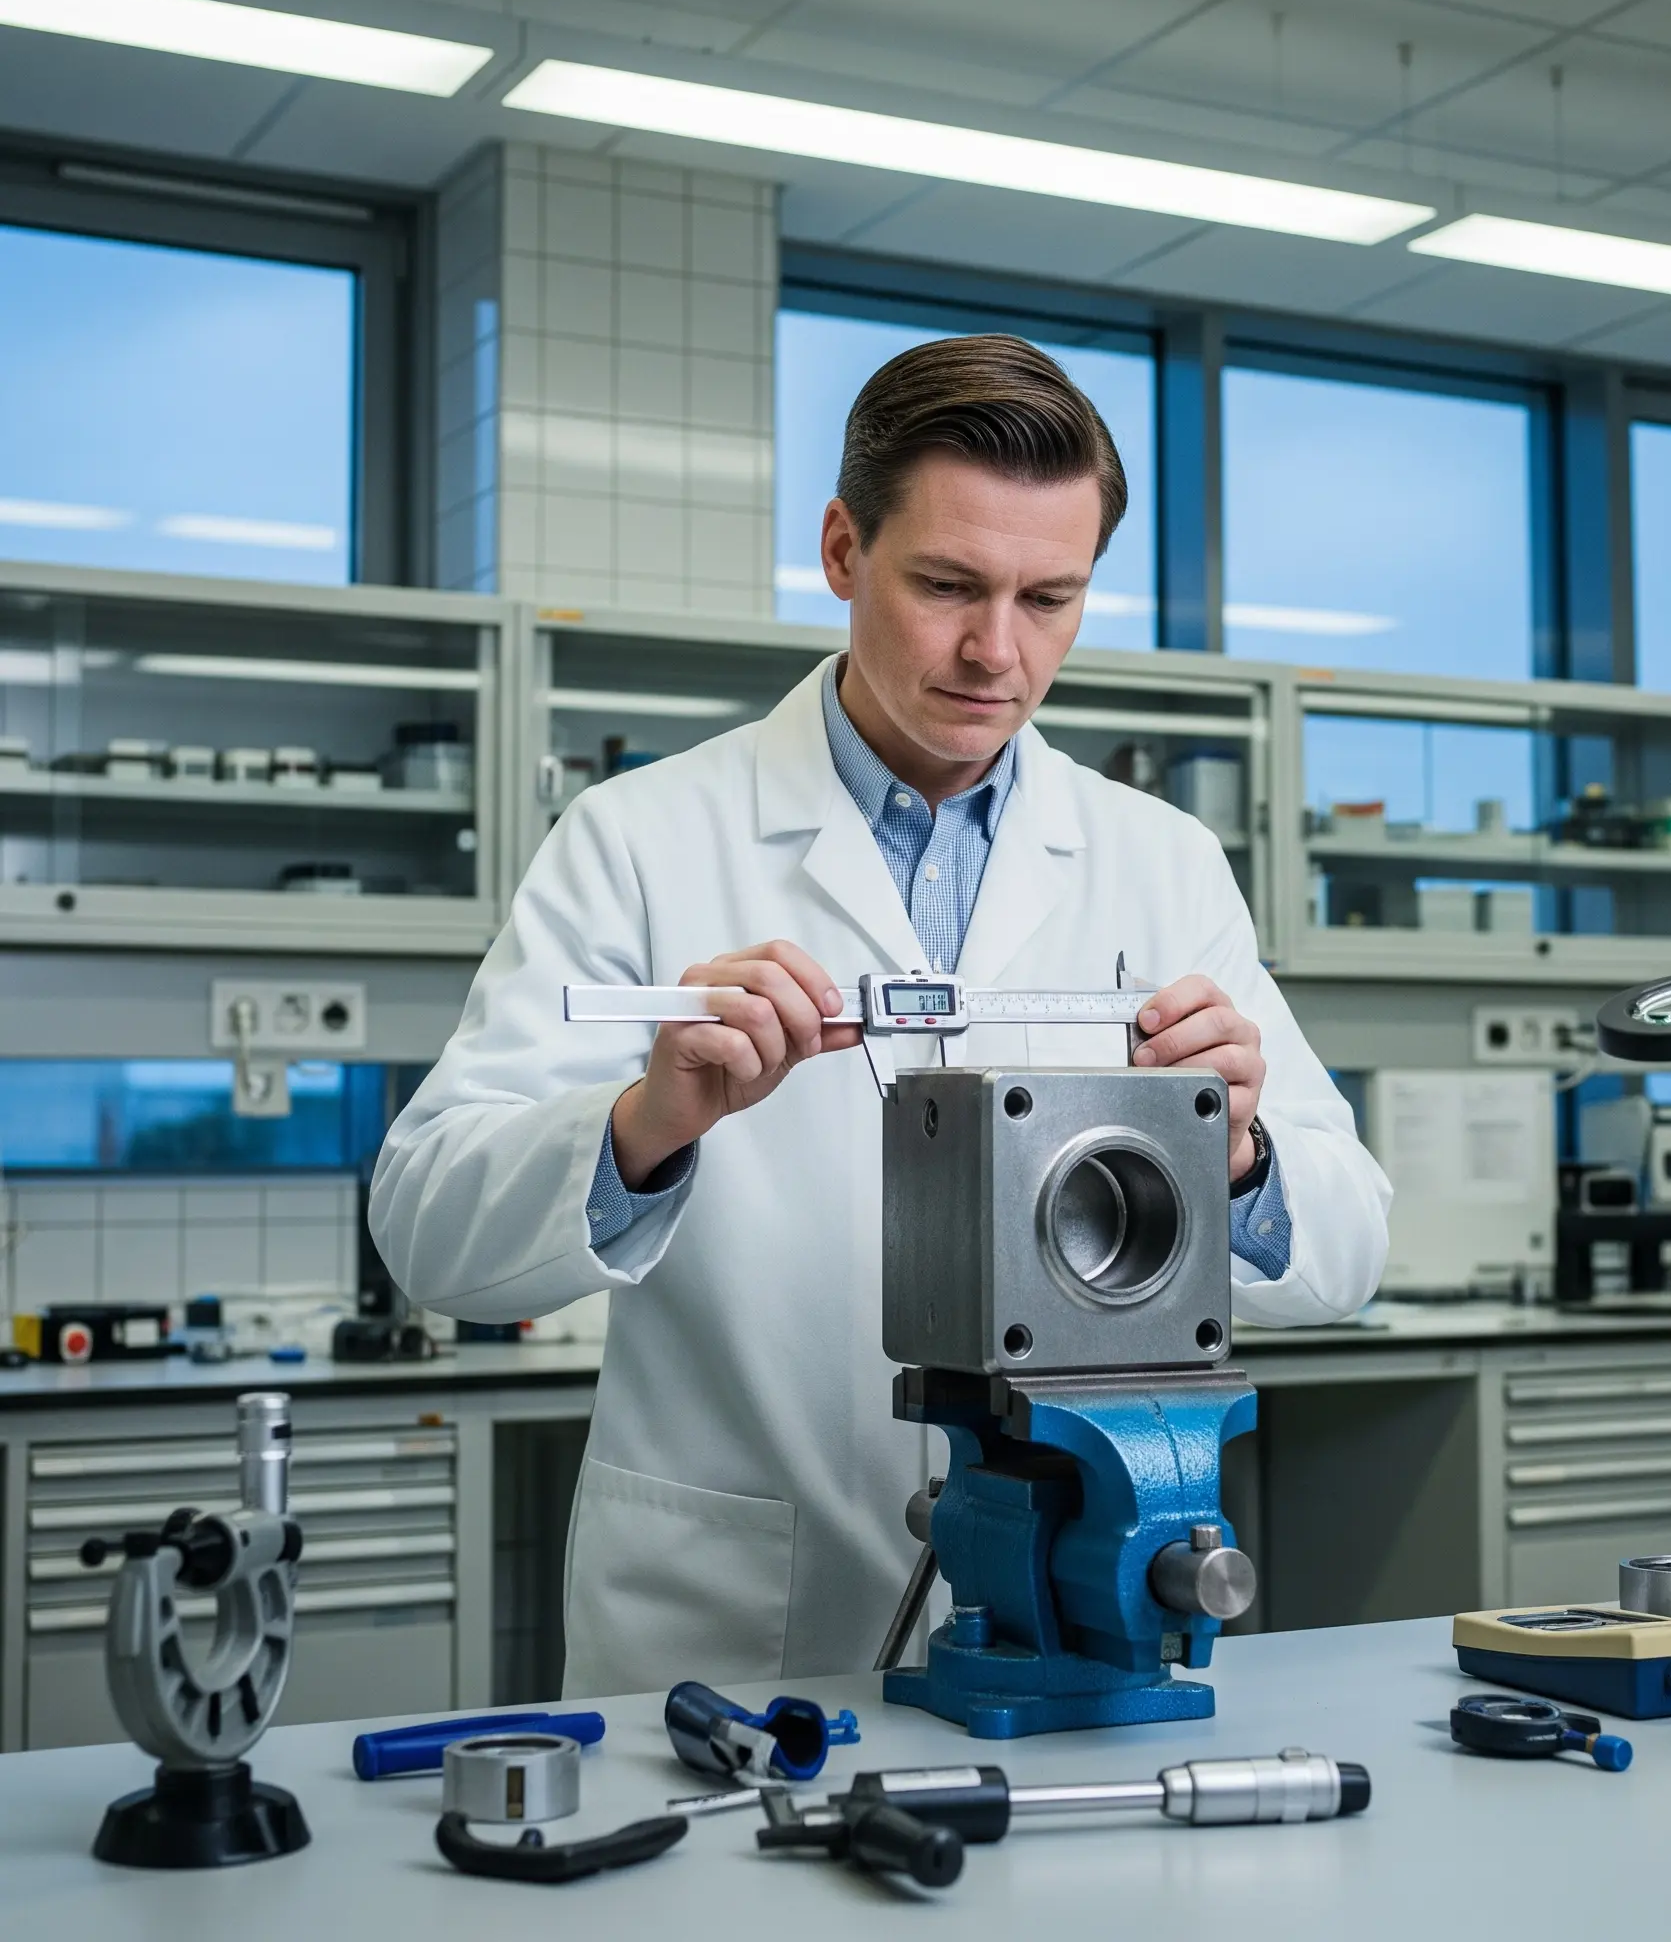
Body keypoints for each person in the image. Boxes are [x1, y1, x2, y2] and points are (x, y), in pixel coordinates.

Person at [371, 335, 1391, 1695]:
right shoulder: (641, 838)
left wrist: (1243, 1153)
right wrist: (646, 1126)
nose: (996, 650)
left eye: (1051, 599)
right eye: (948, 586)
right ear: (844, 550)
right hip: (737, 1631)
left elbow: (1349, 1252)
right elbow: (428, 1229)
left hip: (1069, 1617)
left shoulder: (1160, 862)